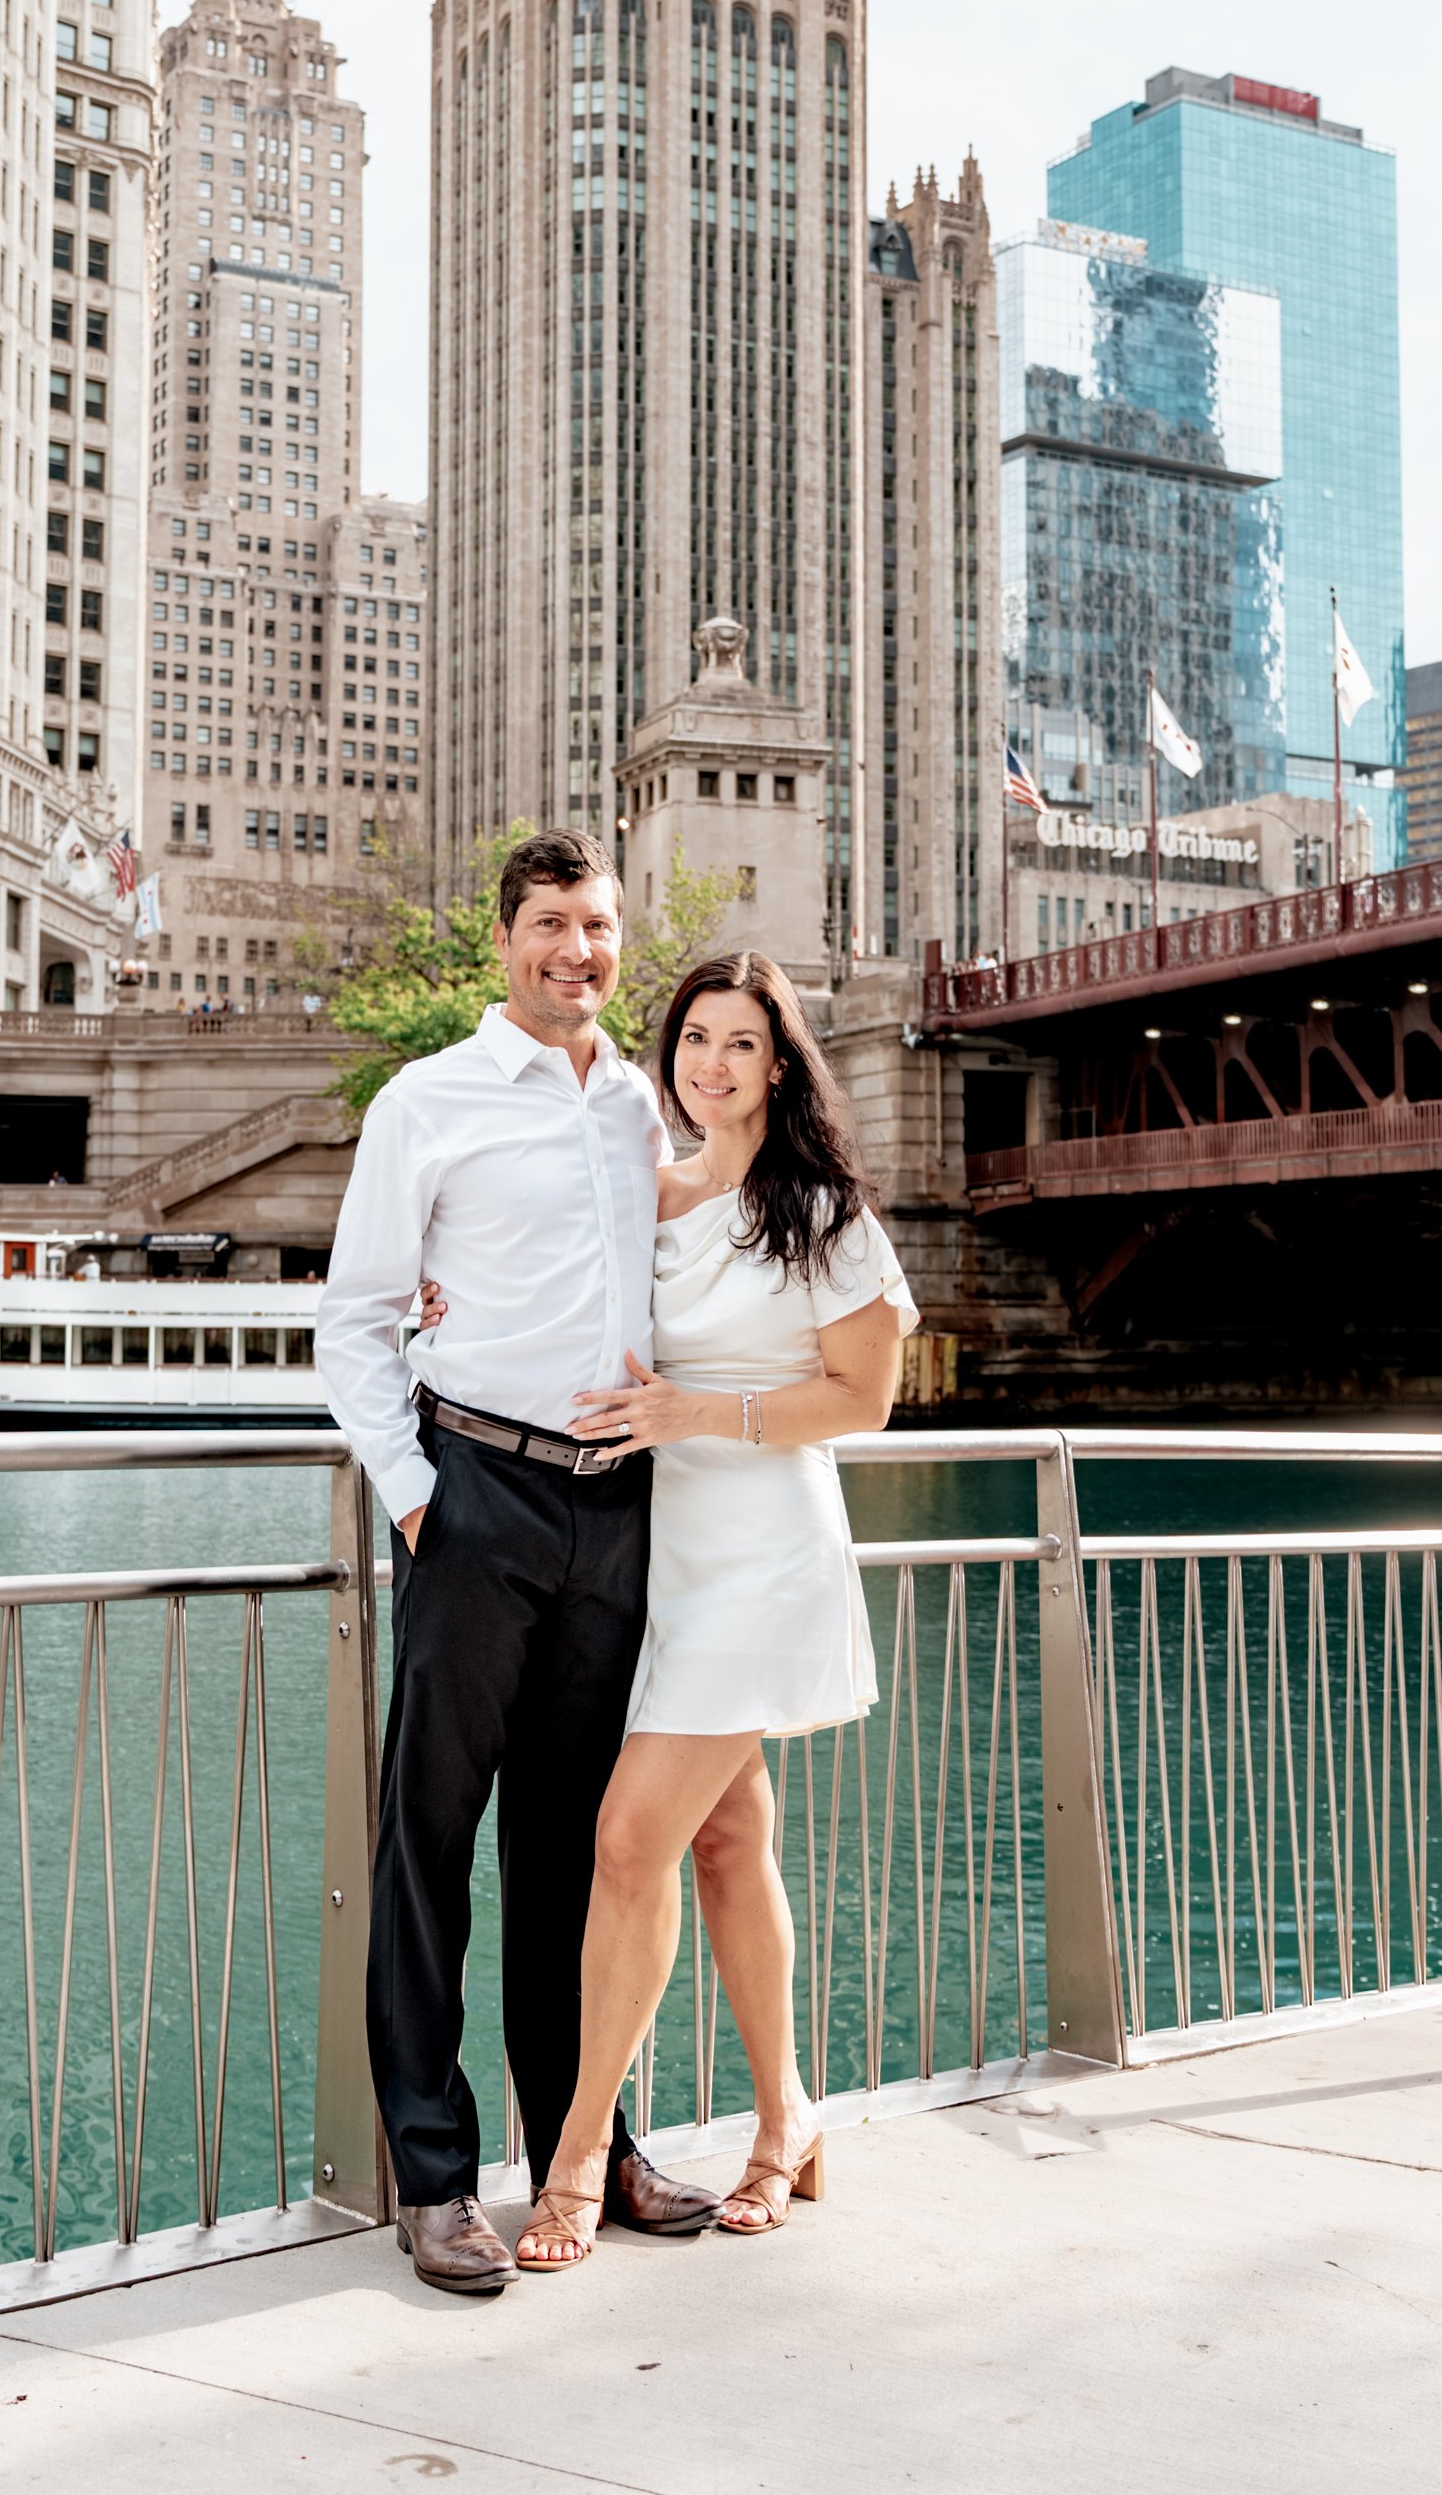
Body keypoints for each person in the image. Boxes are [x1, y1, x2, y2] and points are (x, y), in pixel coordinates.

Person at [421, 951, 913, 2271]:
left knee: (631, 1840)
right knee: (729, 1841)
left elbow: (864, 1398)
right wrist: (434, 1301)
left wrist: (706, 1414)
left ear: (778, 1063)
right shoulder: (646, 1191)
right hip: (655, 1556)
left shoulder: (821, 1211)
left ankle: (575, 2155)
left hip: (762, 1552)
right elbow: (528, 1270)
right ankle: (786, 2120)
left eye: (742, 1043)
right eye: (696, 1038)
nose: (712, 1063)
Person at [316, 830, 721, 2299]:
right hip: (476, 1493)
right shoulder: (427, 1101)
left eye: (601, 928)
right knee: (429, 1851)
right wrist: (422, 1499)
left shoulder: (637, 1109)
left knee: (583, 1859)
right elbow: (356, 1321)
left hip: (617, 1510)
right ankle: (433, 2178)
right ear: (506, 940)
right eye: (553, 924)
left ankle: (585, 2148)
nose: (580, 951)